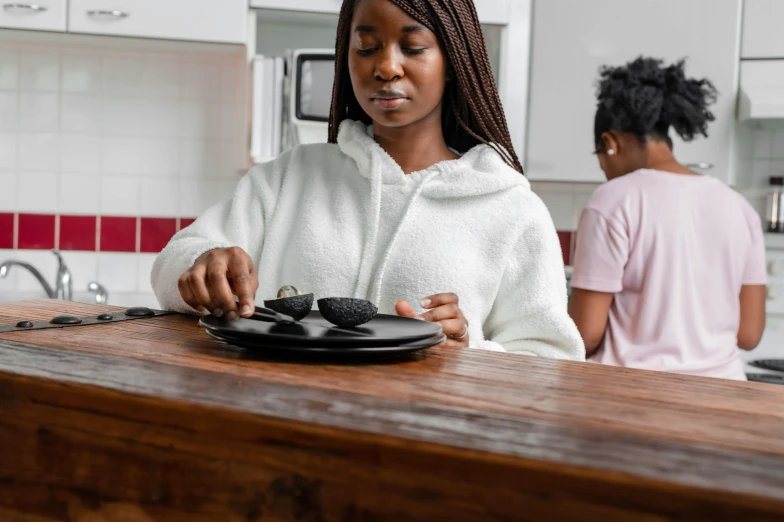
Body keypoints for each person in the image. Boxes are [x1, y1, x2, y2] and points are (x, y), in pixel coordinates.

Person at [152, 0, 584, 358]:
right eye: (366, 48)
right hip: (281, 431)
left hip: (420, 452)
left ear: (452, 61)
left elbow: (553, 361)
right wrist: (203, 265)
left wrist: (470, 351)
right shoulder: (290, 176)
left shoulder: (510, 207)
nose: (386, 67)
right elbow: (179, 259)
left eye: (413, 48)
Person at [568, 56, 766, 379]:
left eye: (600, 159)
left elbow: (585, 334)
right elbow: (749, 334)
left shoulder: (613, 200)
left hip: (633, 398)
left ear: (610, 143)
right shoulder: (739, 207)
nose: (604, 171)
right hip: (725, 399)